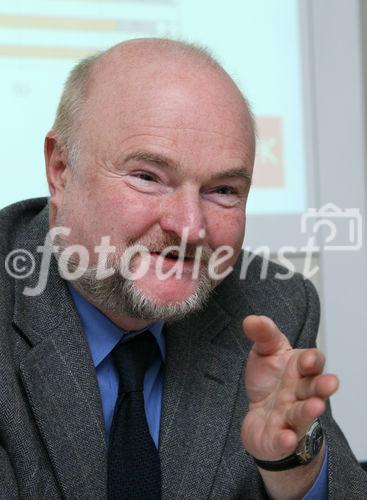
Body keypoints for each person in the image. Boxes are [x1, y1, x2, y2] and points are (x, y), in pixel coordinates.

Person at [0, 38, 366, 499]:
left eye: (223, 191)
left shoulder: (273, 308)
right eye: (148, 177)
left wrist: (293, 467)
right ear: (60, 170)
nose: (191, 228)